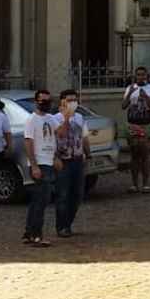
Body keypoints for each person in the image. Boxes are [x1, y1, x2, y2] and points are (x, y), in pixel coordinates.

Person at [23, 89, 61, 247]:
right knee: (41, 200)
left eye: (48, 100)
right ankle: (36, 235)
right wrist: (34, 165)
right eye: (42, 100)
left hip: (49, 161)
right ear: (36, 101)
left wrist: (66, 115)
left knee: (38, 200)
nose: (46, 103)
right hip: (40, 163)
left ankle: (29, 232)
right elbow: (28, 142)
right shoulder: (32, 120)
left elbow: (60, 134)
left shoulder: (51, 118)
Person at [53, 89, 91, 238]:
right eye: (69, 100)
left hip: (77, 159)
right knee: (63, 194)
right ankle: (61, 226)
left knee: (77, 194)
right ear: (62, 102)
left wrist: (88, 154)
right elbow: (60, 134)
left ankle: (67, 223)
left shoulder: (80, 117)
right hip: (63, 160)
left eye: (75, 100)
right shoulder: (55, 118)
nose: (72, 103)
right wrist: (67, 117)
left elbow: (84, 137)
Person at [122, 66, 150, 194]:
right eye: (138, 75)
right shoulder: (130, 88)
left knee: (145, 154)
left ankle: (146, 184)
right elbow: (123, 106)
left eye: (143, 74)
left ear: (147, 76)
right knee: (134, 155)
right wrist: (130, 93)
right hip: (132, 125)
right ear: (135, 76)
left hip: (146, 125)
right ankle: (134, 184)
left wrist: (146, 97)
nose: (140, 77)